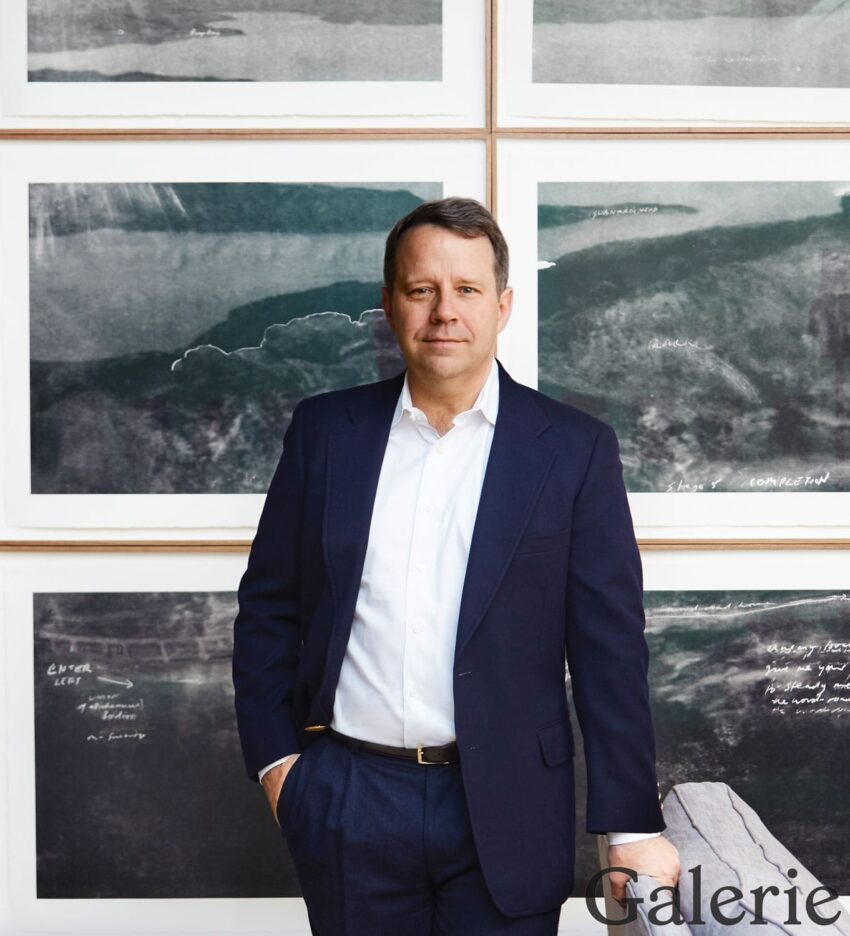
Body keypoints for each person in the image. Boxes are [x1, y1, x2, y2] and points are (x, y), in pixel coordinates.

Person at [232, 197, 680, 934]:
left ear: (502, 305)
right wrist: (280, 766)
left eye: (467, 290)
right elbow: (270, 608)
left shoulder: (573, 450)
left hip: (511, 807)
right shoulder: (324, 433)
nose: (445, 311)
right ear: (389, 305)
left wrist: (629, 823)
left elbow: (610, 650)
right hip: (349, 797)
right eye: (421, 289)